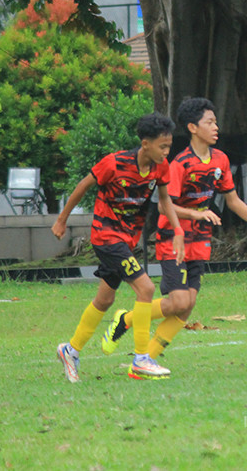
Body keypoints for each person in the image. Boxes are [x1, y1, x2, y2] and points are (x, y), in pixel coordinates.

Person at [100, 98, 247, 366]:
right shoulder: (180, 164)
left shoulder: (220, 160)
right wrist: (195, 214)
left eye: (216, 122)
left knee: (186, 306)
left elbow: (233, 200)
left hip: (199, 239)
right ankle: (127, 319)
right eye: (210, 122)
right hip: (173, 238)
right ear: (193, 127)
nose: (216, 127)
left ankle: (147, 360)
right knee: (178, 300)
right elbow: (167, 206)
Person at [52, 112, 185, 382]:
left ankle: (70, 350)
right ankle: (141, 360)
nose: (166, 152)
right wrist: (62, 220)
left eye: (169, 146)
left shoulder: (161, 167)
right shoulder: (114, 163)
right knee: (146, 288)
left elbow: (164, 199)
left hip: (126, 239)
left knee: (105, 299)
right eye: (162, 146)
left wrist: (178, 228)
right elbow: (82, 186)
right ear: (145, 143)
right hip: (106, 236)